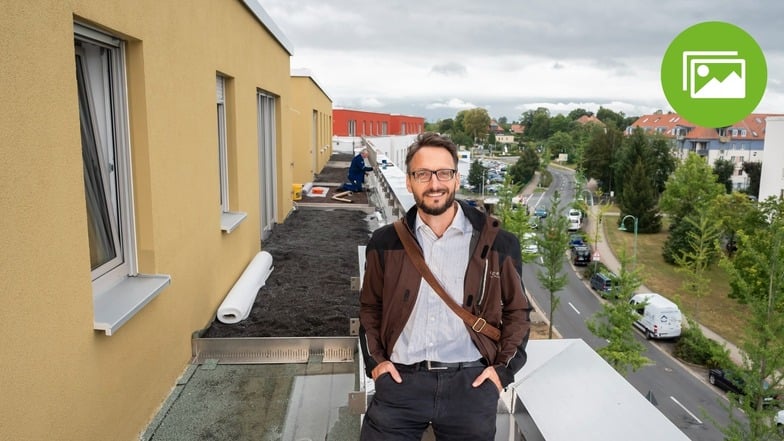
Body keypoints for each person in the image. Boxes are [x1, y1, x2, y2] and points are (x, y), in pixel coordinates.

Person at [359, 132, 532, 441]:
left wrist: (501, 372)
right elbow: (370, 308)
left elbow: (518, 312)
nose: (434, 183)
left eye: (443, 173)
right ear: (409, 181)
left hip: (470, 384)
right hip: (400, 382)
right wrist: (377, 363)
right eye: (423, 174)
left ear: (456, 178)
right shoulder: (384, 243)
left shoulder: (498, 244)